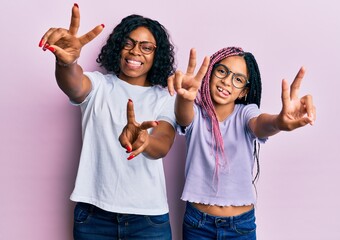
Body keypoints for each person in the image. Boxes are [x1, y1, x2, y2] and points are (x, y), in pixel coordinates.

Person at [39, 3, 177, 240]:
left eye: (146, 47)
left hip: (148, 220)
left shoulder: (165, 98)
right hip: (93, 217)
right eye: (128, 43)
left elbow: (162, 143)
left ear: (157, 55)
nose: (135, 51)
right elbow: (74, 84)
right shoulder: (99, 85)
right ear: (118, 47)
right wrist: (66, 63)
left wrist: (145, 141)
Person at [167, 47, 316, 239]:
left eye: (237, 79)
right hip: (198, 224)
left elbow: (261, 124)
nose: (227, 81)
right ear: (210, 74)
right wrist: (184, 96)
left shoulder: (246, 113)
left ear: (244, 91)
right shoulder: (196, 112)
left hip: (239, 226)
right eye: (222, 71)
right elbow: (184, 116)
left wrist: (280, 121)